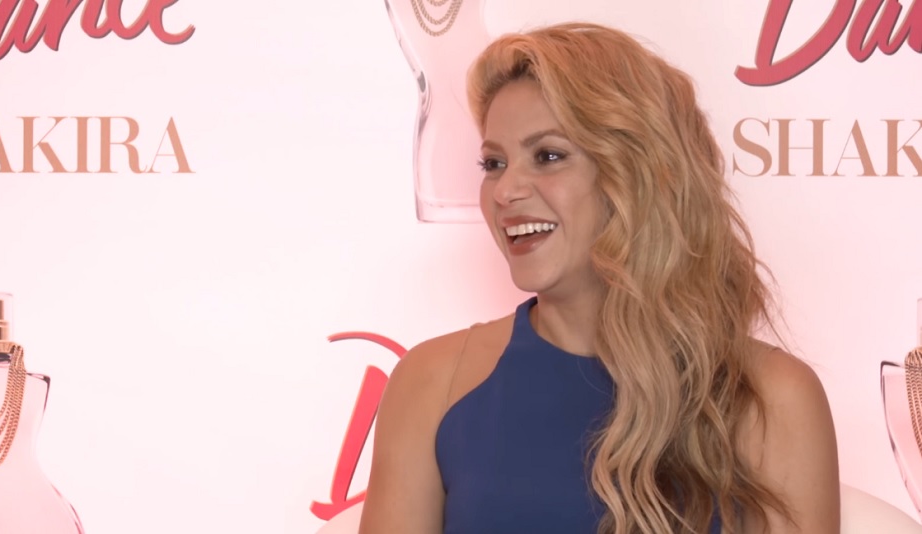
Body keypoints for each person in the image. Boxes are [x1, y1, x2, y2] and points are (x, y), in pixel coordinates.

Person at [358, 22, 839, 534]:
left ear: (639, 173)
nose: (504, 191)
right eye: (494, 162)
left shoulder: (773, 398)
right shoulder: (430, 384)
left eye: (548, 156)